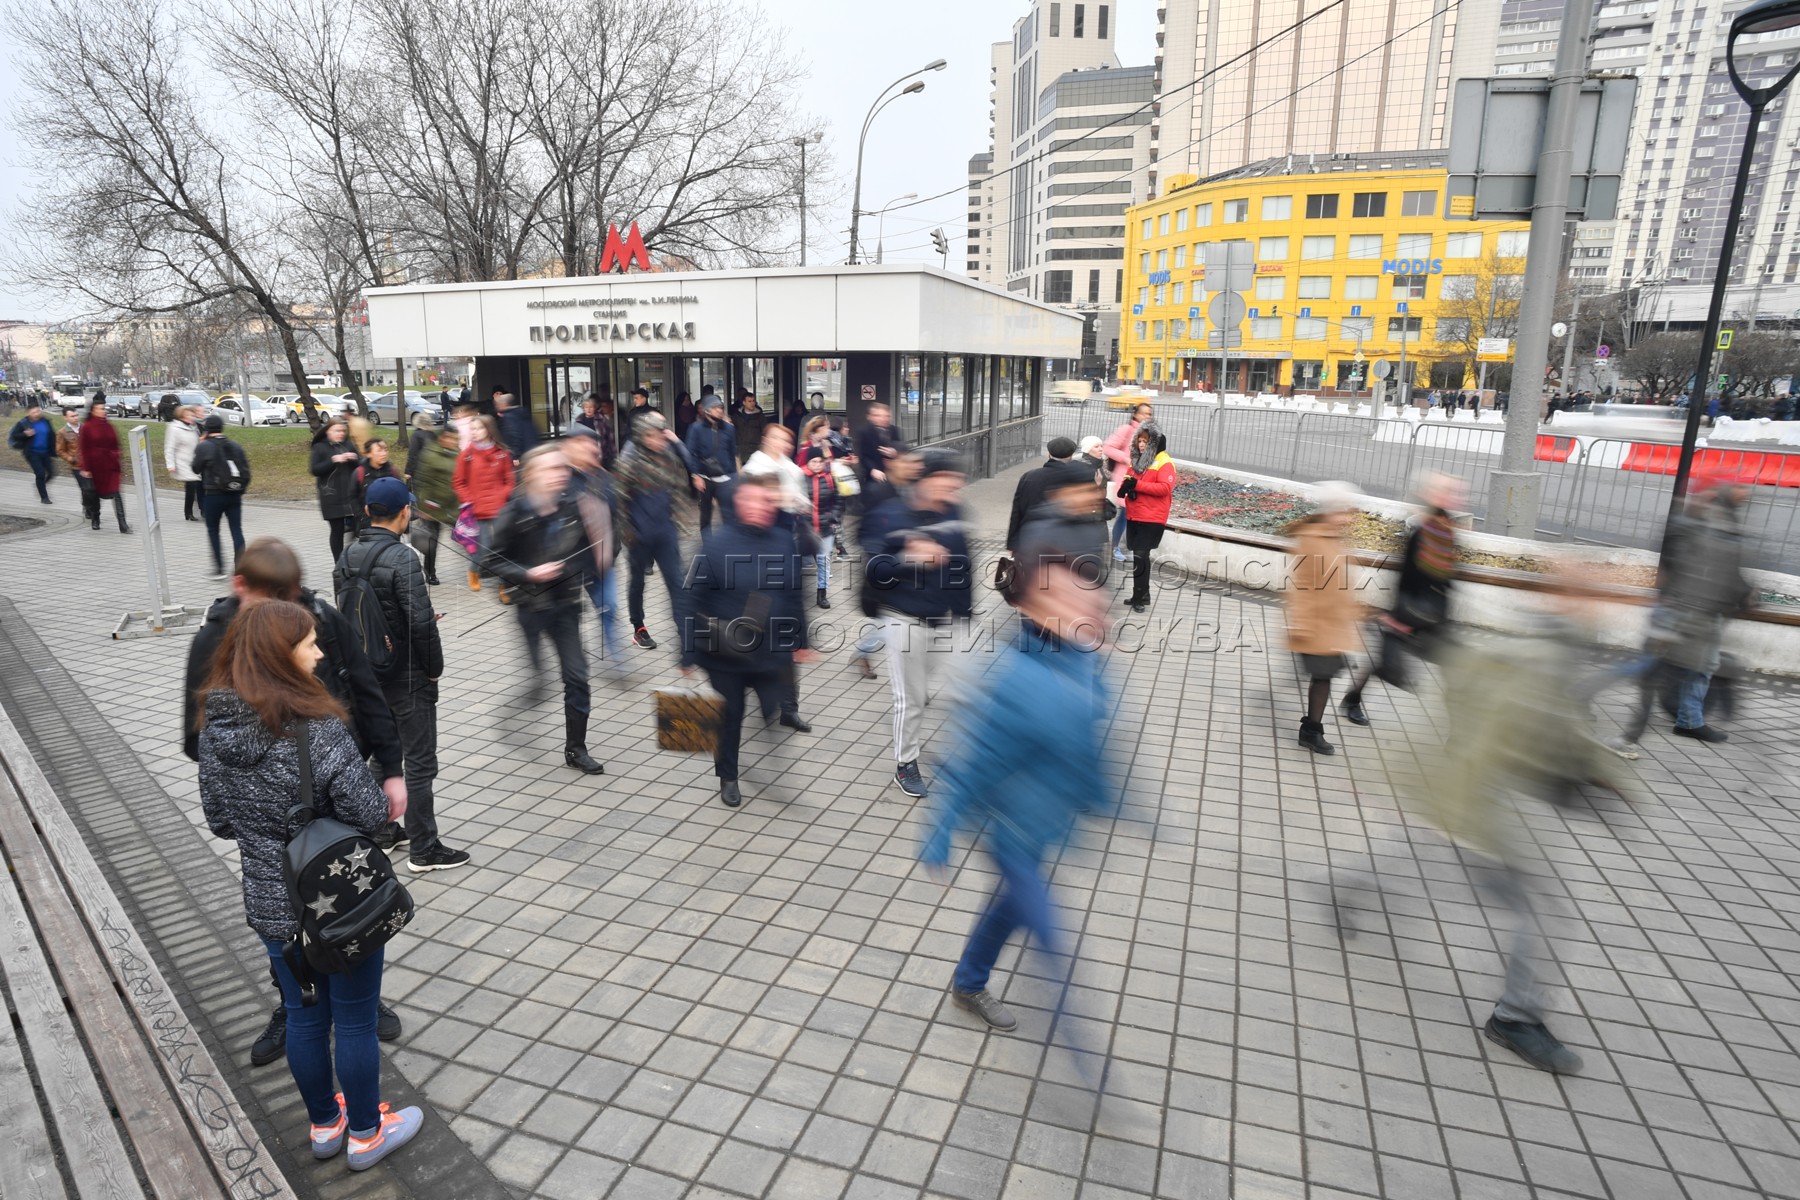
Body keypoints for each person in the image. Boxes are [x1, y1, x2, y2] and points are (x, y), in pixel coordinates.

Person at [195, 599, 424, 1170]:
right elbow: (372, 815)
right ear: (279, 657)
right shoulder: (317, 731)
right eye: (309, 644)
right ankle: (368, 1135)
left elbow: (220, 821)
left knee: (302, 1017)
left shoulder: (216, 733)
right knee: (353, 1020)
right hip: (338, 909)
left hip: (274, 910)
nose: (319, 653)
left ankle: (326, 1127)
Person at [182, 538, 405, 1068]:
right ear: (241, 590)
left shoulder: (320, 621)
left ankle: (347, 1011)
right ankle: (305, 1006)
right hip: (288, 833)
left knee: (335, 957)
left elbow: (367, 690)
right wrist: (263, 770)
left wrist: (390, 767)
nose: (313, 648)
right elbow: (197, 733)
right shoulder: (215, 636)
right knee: (307, 991)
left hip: (328, 820)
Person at [922, 517, 1113, 1033]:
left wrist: (1105, 798)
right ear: (1030, 607)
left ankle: (968, 981)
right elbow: (971, 760)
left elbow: (1093, 731)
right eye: (1069, 600)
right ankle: (1085, 1060)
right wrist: (939, 832)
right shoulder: (1006, 671)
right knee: (1049, 931)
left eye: (1086, 597)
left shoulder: (1077, 654)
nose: (1086, 607)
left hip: (1044, 817)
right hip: (1007, 823)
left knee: (1009, 905)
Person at [336, 478, 467, 874]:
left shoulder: (347, 555)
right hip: (408, 676)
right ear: (403, 512)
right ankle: (425, 847)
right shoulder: (403, 558)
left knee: (383, 755)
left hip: (368, 674)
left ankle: (382, 829)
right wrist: (434, 671)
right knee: (421, 762)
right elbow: (422, 625)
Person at [681, 471, 814, 809]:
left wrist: (801, 638)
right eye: (751, 501)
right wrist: (686, 652)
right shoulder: (714, 544)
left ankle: (765, 748)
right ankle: (728, 776)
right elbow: (690, 599)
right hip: (726, 651)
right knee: (730, 715)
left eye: (766, 501)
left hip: (771, 649)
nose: (760, 507)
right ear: (738, 504)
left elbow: (796, 592)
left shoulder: (784, 540)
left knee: (773, 703)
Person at [483, 445, 605, 774]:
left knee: (577, 677)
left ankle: (576, 749)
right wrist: (527, 573)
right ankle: (532, 688)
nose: (559, 475)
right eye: (550, 469)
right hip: (531, 606)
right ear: (532, 474)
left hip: (566, 605)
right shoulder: (516, 511)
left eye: (561, 469)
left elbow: (589, 550)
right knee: (539, 680)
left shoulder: (571, 506)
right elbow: (488, 562)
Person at [861, 450, 974, 798]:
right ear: (925, 480)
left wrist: (965, 618)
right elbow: (873, 571)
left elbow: (964, 567)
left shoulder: (955, 513)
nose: (955, 488)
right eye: (948, 481)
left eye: (957, 483)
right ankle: (905, 764)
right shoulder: (890, 514)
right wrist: (909, 558)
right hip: (904, 620)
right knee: (910, 699)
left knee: (964, 692)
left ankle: (967, 760)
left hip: (946, 621)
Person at [1341, 473, 1463, 725]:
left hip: (1437, 613)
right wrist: (1397, 617)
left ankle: (1458, 734)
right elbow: (1406, 575)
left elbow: (1447, 574)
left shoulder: (1446, 527)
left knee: (1453, 669)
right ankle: (1352, 699)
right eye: (1449, 491)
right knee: (1386, 664)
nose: (1456, 496)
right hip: (1414, 609)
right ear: (1432, 495)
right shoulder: (1421, 530)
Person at [1283, 483, 1362, 756]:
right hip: (1317, 626)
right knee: (1323, 678)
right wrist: (1301, 625)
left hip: (1332, 625)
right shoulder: (1312, 539)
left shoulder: (1333, 537)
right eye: (1342, 512)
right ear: (1329, 511)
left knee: (1322, 677)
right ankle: (1311, 732)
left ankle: (1311, 729)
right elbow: (1302, 585)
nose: (1347, 518)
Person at [615, 411, 698, 650]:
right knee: (638, 582)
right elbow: (619, 502)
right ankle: (638, 627)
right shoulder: (629, 462)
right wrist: (628, 534)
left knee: (676, 582)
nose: (659, 439)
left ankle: (685, 632)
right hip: (639, 536)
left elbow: (679, 490)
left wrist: (680, 522)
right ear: (642, 436)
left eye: (661, 435)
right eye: (653, 435)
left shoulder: (668, 458)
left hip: (665, 533)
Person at [559, 426, 623, 663]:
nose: (590, 448)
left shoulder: (603, 477)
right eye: (583, 443)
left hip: (601, 560)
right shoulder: (560, 477)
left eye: (593, 443)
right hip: (570, 564)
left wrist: (614, 548)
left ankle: (616, 657)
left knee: (609, 607)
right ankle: (574, 658)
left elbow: (615, 515)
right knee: (570, 615)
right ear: (569, 447)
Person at [453, 415, 515, 596]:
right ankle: (473, 571)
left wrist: (502, 496)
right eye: (472, 429)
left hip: (500, 508)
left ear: (489, 429)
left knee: (503, 548)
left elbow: (509, 481)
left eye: (479, 428)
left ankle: (505, 587)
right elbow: (459, 481)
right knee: (484, 547)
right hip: (478, 511)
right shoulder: (467, 454)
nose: (474, 432)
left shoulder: (502, 453)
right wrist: (469, 499)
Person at [1118, 425, 1174, 613]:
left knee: (1140, 557)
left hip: (1152, 518)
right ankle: (1143, 595)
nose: (1142, 445)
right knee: (1139, 556)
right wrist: (1126, 488)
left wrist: (1137, 485)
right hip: (1135, 514)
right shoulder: (1137, 461)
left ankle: (1139, 596)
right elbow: (1129, 478)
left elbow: (1165, 489)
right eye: (1139, 441)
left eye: (1146, 442)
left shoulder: (1164, 462)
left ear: (1155, 444)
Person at [1005, 437, 1092, 551]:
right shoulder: (1082, 477)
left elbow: (1017, 511)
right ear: (1071, 455)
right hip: (1069, 543)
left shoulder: (1030, 477)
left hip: (1032, 540)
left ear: (1049, 454)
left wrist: (1013, 545)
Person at [191, 415, 250, 578]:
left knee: (213, 529)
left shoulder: (205, 446)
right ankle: (240, 568)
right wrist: (240, 491)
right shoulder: (235, 446)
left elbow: (195, 468)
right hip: (234, 494)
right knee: (236, 530)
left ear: (207, 429)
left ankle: (218, 568)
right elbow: (246, 470)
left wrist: (200, 445)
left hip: (213, 494)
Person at [407, 424, 460, 587]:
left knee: (465, 536)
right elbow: (421, 481)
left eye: (456, 439)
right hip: (432, 506)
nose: (455, 441)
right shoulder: (430, 454)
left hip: (452, 505)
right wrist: (423, 507)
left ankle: (474, 569)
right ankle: (430, 572)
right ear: (443, 438)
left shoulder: (457, 453)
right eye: (451, 438)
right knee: (432, 540)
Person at [1100, 402, 1152, 562]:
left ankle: (1122, 547)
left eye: (1149, 414)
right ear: (1135, 414)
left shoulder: (1149, 432)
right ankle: (1115, 548)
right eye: (1144, 413)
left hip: (1140, 479)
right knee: (1126, 514)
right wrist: (1127, 459)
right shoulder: (1127, 430)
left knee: (1131, 515)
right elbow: (1107, 447)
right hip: (1126, 478)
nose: (1147, 417)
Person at [684, 392, 738, 531]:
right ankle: (707, 549)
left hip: (725, 478)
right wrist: (695, 475)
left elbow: (732, 453)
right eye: (716, 407)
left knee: (729, 516)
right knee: (706, 515)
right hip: (705, 478)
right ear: (707, 410)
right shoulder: (696, 428)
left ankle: (728, 547)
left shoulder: (729, 429)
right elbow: (690, 453)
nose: (720, 410)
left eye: (721, 407)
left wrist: (734, 477)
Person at [310, 419, 362, 563]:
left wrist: (355, 458)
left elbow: (362, 464)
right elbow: (315, 470)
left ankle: (356, 556)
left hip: (350, 494)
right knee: (337, 529)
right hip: (331, 495)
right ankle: (338, 563)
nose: (340, 434)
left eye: (342, 431)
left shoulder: (348, 444)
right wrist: (332, 460)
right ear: (328, 431)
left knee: (359, 525)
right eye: (337, 431)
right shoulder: (320, 447)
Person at [76, 398, 130, 533]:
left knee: (116, 493)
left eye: (104, 408)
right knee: (95, 494)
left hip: (111, 465)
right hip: (95, 466)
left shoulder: (109, 425)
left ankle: (123, 524)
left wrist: (117, 454)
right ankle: (96, 518)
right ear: (93, 411)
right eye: (100, 409)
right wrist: (86, 468)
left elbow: (116, 444)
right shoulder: (87, 427)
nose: (103, 411)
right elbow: (83, 449)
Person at [802, 447, 842, 609]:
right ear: (808, 462)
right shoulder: (800, 477)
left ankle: (822, 594)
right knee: (797, 561)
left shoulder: (830, 477)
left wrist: (833, 515)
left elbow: (838, 499)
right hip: (806, 528)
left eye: (820, 461)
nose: (818, 464)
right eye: (814, 461)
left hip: (826, 527)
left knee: (823, 561)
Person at [8, 400, 56, 504]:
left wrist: (54, 450)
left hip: (46, 452)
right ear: (28, 413)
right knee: (40, 473)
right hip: (32, 453)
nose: (37, 414)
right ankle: (44, 497)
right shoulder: (23, 423)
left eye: (38, 411)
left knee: (52, 473)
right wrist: (25, 434)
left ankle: (40, 484)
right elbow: (14, 435)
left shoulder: (45, 421)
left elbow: (52, 435)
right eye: (34, 412)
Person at [353, 439, 401, 535]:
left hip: (391, 524)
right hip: (367, 524)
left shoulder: (393, 471)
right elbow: (352, 497)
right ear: (368, 454)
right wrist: (361, 517)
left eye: (385, 450)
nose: (384, 453)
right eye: (379, 451)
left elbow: (400, 495)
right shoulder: (360, 472)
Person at [164, 404, 203, 520]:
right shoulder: (174, 428)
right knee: (192, 485)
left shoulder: (194, 427)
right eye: (188, 415)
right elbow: (169, 448)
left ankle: (193, 511)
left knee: (194, 486)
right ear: (181, 416)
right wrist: (170, 465)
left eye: (192, 414)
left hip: (194, 461)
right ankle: (189, 513)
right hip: (182, 462)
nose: (191, 417)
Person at [857, 401, 906, 486]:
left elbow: (903, 448)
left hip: (894, 475)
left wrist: (894, 452)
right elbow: (863, 455)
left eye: (886, 416)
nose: (883, 419)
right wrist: (872, 469)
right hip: (874, 476)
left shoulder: (894, 430)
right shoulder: (864, 432)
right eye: (878, 416)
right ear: (869, 417)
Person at [496, 390, 537, 460]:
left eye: (497, 404)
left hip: (520, 456)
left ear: (504, 404)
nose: (496, 406)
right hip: (530, 451)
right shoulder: (522, 413)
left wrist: (515, 456)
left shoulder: (509, 417)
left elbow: (514, 437)